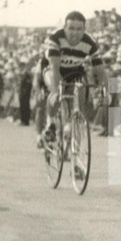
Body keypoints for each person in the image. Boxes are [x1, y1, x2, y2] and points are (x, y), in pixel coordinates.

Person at [43, 11, 108, 143]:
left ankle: (71, 124)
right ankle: (50, 123)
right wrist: (56, 92)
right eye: (71, 28)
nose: (75, 33)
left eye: (79, 29)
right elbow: (55, 69)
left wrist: (104, 92)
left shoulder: (89, 42)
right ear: (64, 28)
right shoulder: (56, 37)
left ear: (84, 30)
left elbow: (100, 70)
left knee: (81, 93)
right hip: (53, 69)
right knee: (56, 94)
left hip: (75, 71)